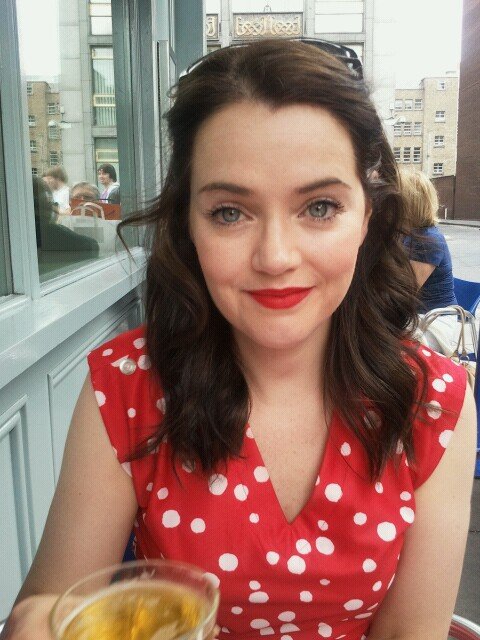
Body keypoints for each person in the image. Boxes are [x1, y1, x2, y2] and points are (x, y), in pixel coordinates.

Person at [3, 40, 476, 640]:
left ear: (368, 216)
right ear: (189, 225)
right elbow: (51, 606)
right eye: (230, 212)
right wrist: (38, 624)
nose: (275, 258)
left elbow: (411, 631)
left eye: (320, 207)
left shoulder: (432, 402)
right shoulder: (127, 386)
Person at [401, 169, 457, 313]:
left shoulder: (427, 240)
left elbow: (404, 291)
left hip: (435, 319)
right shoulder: (408, 233)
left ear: (409, 205)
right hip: (418, 314)